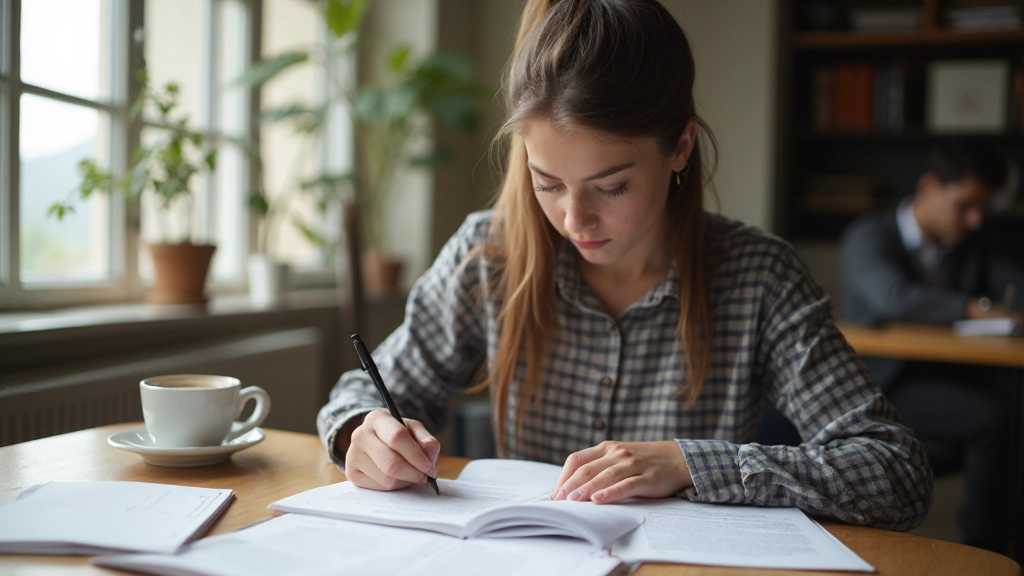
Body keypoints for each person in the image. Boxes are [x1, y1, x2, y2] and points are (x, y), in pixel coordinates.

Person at [318, 0, 931, 530]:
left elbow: (895, 471)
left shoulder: (759, 276)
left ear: (680, 149)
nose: (575, 220)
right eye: (548, 183)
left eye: (610, 187)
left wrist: (690, 463)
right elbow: (362, 393)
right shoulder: (490, 255)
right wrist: (363, 433)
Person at [841, 138, 1024, 552]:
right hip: (882, 384)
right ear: (929, 188)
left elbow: (1015, 286)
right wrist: (976, 309)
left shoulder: (974, 243)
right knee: (993, 420)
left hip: (954, 377)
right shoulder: (868, 236)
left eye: (982, 208)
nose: (976, 219)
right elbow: (894, 296)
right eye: (965, 205)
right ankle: (987, 549)